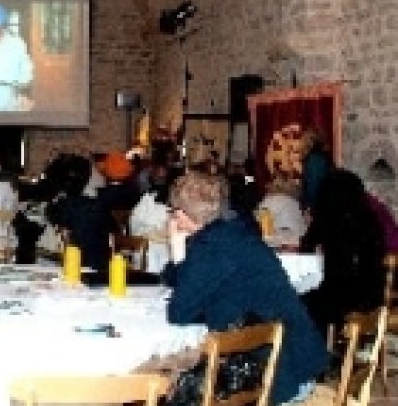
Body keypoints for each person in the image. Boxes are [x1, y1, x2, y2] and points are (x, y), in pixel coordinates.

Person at [163, 172, 328, 405]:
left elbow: (178, 312)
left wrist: (177, 248)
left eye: (172, 211)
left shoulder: (211, 246)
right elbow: (183, 283)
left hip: (278, 377)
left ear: (181, 215)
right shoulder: (235, 232)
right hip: (300, 360)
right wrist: (180, 252)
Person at [299, 169, 385, 336]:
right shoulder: (369, 218)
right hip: (372, 295)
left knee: (299, 301)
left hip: (341, 299)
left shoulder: (328, 217)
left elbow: (306, 247)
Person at [299, 128, 332, 214]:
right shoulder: (319, 158)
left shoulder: (315, 160)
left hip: (318, 210)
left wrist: (309, 209)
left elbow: (314, 187)